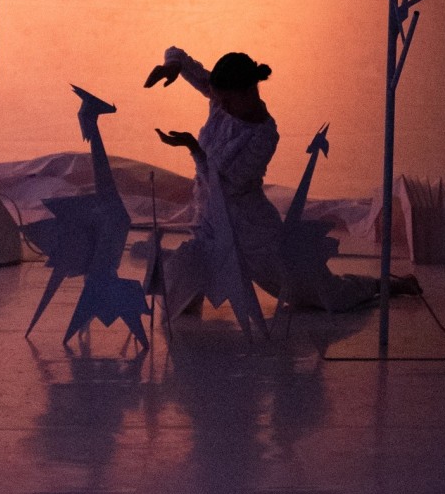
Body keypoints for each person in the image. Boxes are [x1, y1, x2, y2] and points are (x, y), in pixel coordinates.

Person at [144, 46, 419, 315]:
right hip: (211, 223)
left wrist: (194, 149)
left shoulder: (264, 134)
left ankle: (383, 285)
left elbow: (228, 186)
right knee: (175, 301)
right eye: (218, 99)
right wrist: (173, 66)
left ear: (249, 92)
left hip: (252, 233)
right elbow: (179, 55)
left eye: (227, 100)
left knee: (324, 295)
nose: (221, 106)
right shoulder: (222, 101)